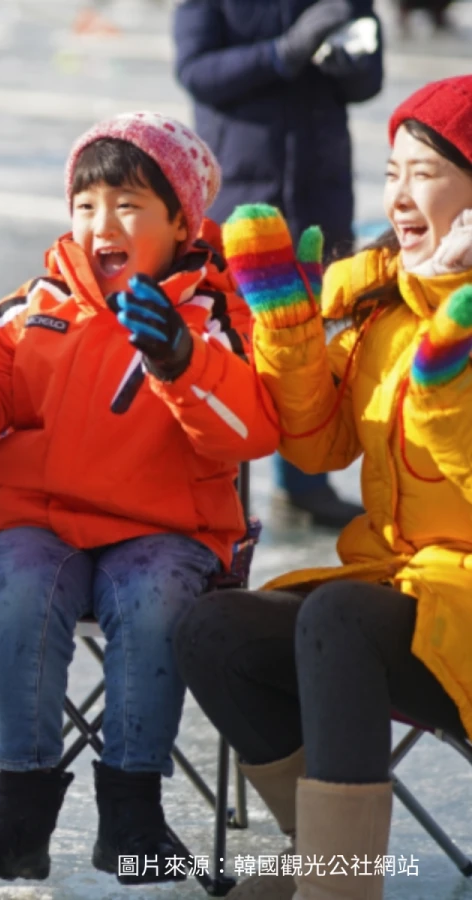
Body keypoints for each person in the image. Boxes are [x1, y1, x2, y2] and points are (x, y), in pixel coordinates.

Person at [0, 113, 280, 885]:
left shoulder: (210, 313)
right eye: (87, 204)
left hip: (167, 529)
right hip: (38, 521)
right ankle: (22, 808)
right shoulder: (35, 305)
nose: (103, 223)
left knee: (154, 594)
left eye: (129, 205)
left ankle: (132, 809)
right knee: (22, 583)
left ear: (181, 220)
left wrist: (178, 359)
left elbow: (250, 429)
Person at [176, 74, 472, 900]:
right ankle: (324, 861)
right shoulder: (387, 306)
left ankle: (341, 892)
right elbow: (317, 443)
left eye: (427, 172)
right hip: (414, 594)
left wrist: (448, 380)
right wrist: (289, 325)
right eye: (392, 173)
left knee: (341, 618)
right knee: (216, 628)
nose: (402, 196)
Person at [174, 0, 383, 530]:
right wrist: (281, 53)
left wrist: (348, 61)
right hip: (241, 197)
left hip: (320, 189)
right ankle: (219, 480)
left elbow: (369, 79)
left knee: (308, 332)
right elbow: (196, 70)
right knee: (231, 337)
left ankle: (304, 481)